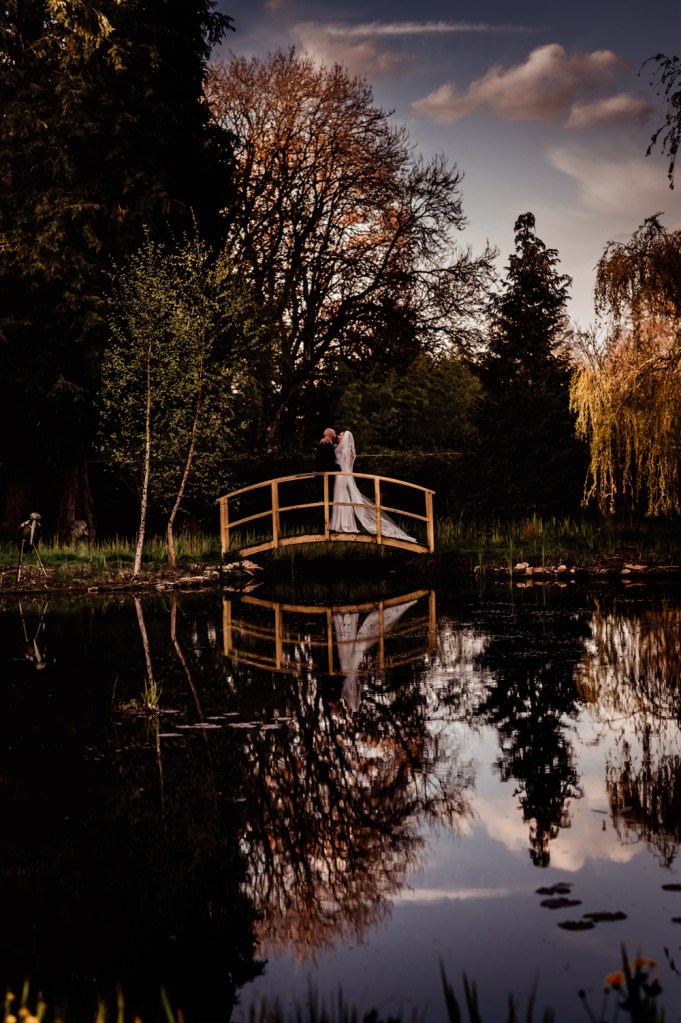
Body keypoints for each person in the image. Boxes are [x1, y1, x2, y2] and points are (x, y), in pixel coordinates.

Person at [330, 430, 415, 540]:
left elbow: (335, 456)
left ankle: (340, 524)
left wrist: (330, 444)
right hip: (345, 476)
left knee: (341, 499)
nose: (338, 436)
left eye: (340, 435)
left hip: (341, 476)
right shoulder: (349, 449)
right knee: (344, 499)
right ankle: (344, 524)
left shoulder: (340, 449)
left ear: (345, 438)